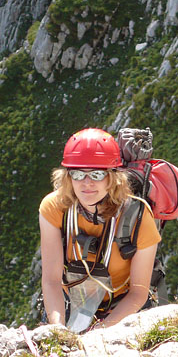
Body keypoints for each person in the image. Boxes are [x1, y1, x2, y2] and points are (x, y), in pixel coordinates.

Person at [39, 128, 161, 331]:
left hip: (123, 306)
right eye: (78, 174)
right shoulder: (54, 207)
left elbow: (138, 294)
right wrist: (58, 330)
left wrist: (101, 331)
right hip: (71, 301)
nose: (87, 183)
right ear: (68, 177)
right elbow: (51, 281)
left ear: (112, 178)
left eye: (97, 174)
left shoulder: (138, 216)